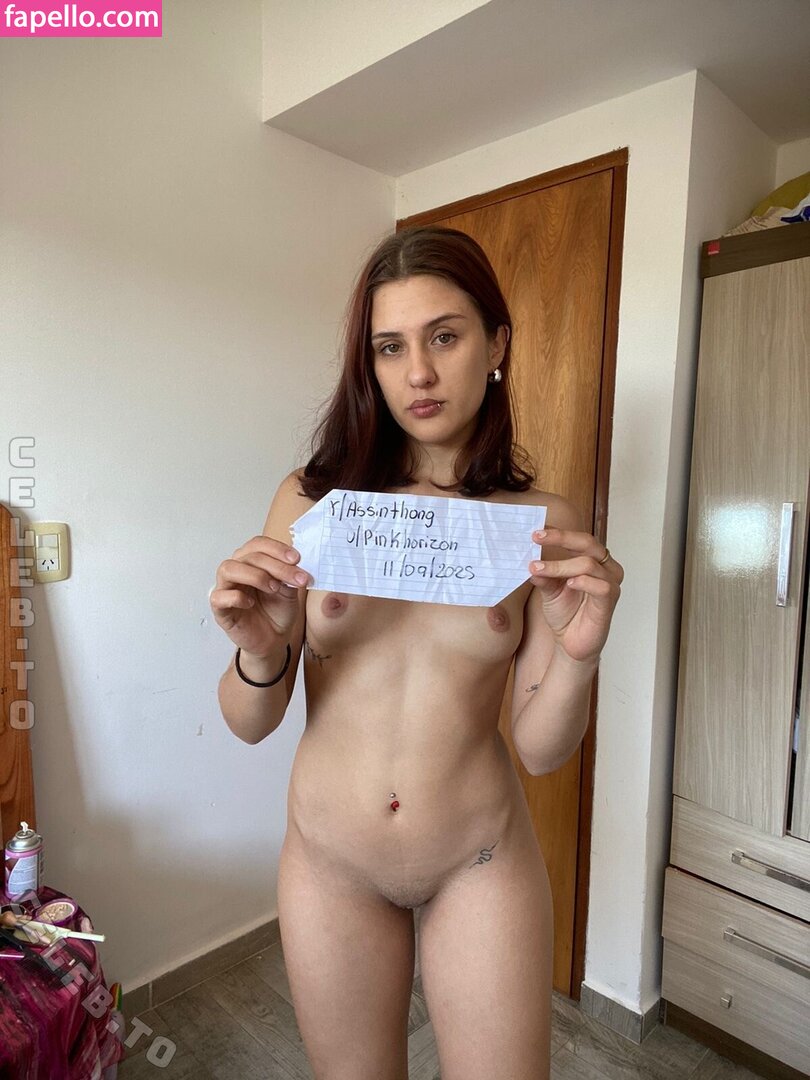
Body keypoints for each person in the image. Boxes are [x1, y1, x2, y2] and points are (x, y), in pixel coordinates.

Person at [210, 225, 623, 1080]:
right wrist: (259, 649)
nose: (419, 374)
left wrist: (579, 655)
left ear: (496, 344)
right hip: (330, 860)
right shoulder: (313, 503)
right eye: (391, 347)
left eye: (445, 336)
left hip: (479, 858)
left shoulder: (537, 524)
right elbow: (250, 722)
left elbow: (541, 750)